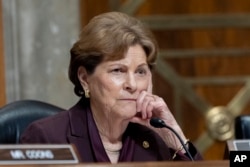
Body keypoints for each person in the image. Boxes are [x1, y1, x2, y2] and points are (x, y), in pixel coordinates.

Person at [20, 11, 203, 163]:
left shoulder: (155, 139)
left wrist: (174, 135)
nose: (132, 84)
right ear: (84, 78)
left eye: (140, 72)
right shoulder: (47, 137)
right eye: (117, 70)